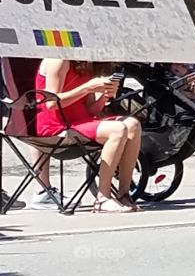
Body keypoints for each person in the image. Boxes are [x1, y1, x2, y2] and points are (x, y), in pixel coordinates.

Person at [34, 59, 142, 213]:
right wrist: (86, 88)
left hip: (81, 123)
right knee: (118, 129)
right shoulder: (59, 60)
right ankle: (103, 198)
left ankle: (124, 194)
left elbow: (92, 110)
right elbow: (50, 104)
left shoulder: (86, 64)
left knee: (132, 125)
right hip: (56, 127)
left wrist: (105, 96)